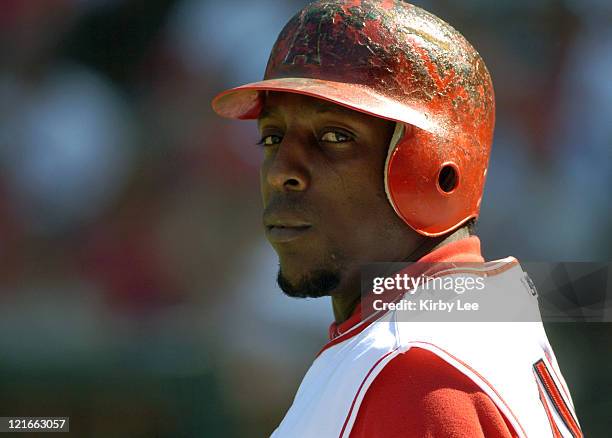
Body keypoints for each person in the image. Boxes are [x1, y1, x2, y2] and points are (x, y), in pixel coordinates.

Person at [212, 1, 583, 436]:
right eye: (272, 138)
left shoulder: (414, 370)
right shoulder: (472, 314)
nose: (280, 173)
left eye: (334, 138)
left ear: (438, 170)